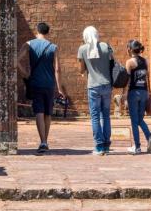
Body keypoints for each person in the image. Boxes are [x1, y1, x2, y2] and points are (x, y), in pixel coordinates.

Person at [17, 22, 66, 154]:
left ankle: (43, 141)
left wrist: (25, 73)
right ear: (48, 32)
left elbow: (17, 61)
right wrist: (59, 88)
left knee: (39, 111)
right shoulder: (53, 47)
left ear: (37, 30)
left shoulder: (29, 44)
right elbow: (57, 69)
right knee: (48, 112)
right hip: (49, 84)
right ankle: (45, 140)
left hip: (36, 83)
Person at [77, 25, 114, 155]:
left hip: (93, 86)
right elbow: (111, 63)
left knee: (95, 117)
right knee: (106, 116)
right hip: (107, 85)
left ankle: (98, 146)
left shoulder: (82, 49)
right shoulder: (106, 46)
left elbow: (81, 70)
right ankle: (106, 145)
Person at [125, 39, 151, 154]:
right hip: (144, 92)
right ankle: (149, 137)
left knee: (134, 120)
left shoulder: (130, 62)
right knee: (140, 119)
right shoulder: (145, 61)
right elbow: (147, 78)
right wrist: (149, 92)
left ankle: (137, 147)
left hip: (133, 93)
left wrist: (124, 95)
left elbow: (127, 81)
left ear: (130, 49)